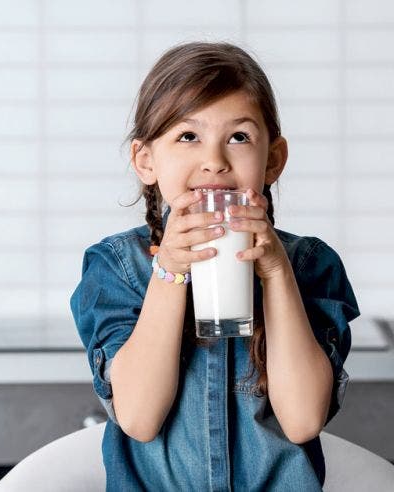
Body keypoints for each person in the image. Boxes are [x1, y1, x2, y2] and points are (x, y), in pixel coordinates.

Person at [69, 41, 359, 491]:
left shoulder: (308, 265)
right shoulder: (118, 268)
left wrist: (277, 274)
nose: (215, 162)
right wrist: (168, 272)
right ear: (145, 159)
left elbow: (302, 421)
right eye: (188, 136)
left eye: (239, 137)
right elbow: (140, 418)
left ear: (274, 159)